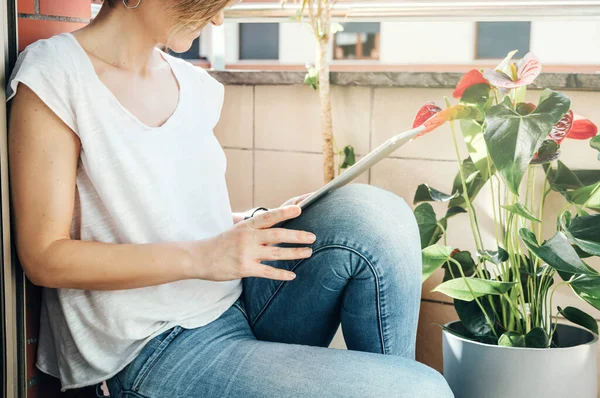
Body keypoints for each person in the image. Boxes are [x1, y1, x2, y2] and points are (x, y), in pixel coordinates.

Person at [6, 0, 454, 397]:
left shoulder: (192, 84)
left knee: (380, 218)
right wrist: (205, 257)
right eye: (210, 2)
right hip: (153, 347)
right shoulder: (59, 72)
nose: (218, 19)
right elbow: (45, 257)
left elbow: (173, 214)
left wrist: (252, 221)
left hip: (235, 300)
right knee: (423, 390)